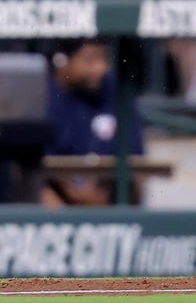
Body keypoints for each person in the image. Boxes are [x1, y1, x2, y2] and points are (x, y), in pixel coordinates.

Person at [43, 38, 144, 208]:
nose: (100, 68)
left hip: (110, 198)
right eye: (89, 60)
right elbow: (38, 162)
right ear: (62, 61)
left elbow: (136, 157)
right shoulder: (44, 93)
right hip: (57, 196)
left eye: (103, 59)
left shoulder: (115, 91)